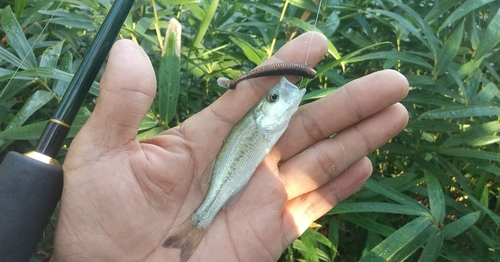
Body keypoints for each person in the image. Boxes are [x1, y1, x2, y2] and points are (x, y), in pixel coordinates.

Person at [50, 32, 409, 261]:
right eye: (272, 97)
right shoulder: (262, 123)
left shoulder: (270, 123)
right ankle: (199, 223)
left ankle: (199, 223)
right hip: (224, 185)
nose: (279, 95)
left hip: (230, 176)